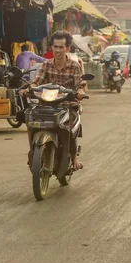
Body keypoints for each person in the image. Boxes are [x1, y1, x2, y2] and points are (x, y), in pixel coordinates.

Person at [23, 31, 86, 170]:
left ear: (67, 48)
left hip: (68, 105)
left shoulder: (74, 66)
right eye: (55, 46)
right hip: (47, 105)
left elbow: (79, 84)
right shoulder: (46, 65)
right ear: (51, 47)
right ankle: (33, 152)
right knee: (31, 122)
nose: (57, 50)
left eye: (61, 47)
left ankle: (74, 156)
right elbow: (37, 81)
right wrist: (30, 88)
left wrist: (80, 92)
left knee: (68, 128)